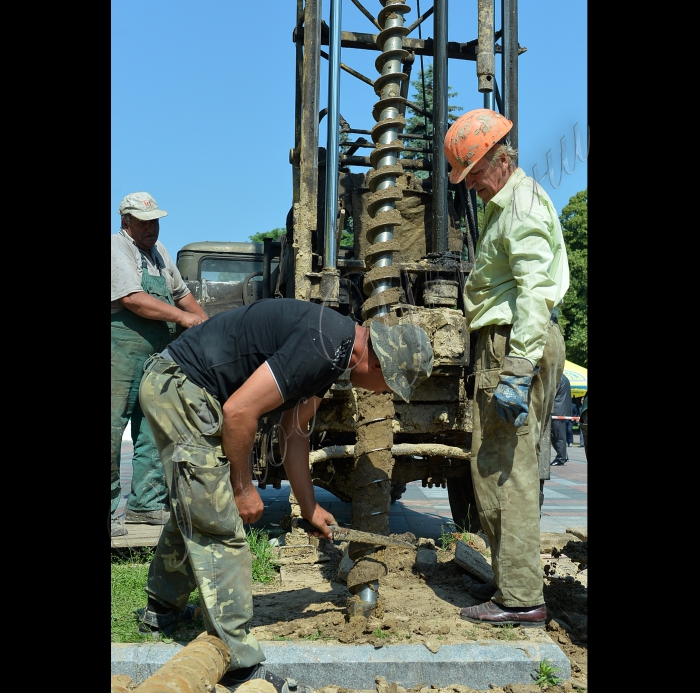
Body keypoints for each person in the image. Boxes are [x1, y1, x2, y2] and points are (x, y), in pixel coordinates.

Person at [135, 298, 433, 690]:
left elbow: (294, 431)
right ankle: (237, 662)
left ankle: (161, 610)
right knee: (220, 523)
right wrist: (243, 488)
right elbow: (239, 412)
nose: (383, 393)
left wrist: (309, 507)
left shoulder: (337, 348)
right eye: (389, 386)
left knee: (198, 501)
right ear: (377, 364)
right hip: (180, 388)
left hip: (188, 390)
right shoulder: (322, 347)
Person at [443, 108, 569, 628]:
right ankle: (511, 580)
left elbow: (536, 291)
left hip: (517, 343)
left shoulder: (519, 206)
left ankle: (520, 599)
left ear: (496, 160)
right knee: (490, 467)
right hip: (507, 341)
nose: (468, 186)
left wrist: (517, 367)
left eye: (470, 174)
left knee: (510, 472)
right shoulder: (503, 202)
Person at [111, 192, 208, 537]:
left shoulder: (160, 252)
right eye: (143, 221)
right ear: (126, 222)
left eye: (154, 221)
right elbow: (133, 299)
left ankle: (146, 505)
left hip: (156, 354)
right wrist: (185, 320)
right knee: (112, 427)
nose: (151, 227)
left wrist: (207, 326)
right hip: (120, 350)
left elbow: (182, 294)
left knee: (154, 426)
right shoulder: (117, 248)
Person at [550, 373, 571, 466]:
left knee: (558, 435)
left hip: (557, 410)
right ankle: (563, 455)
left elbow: (551, 394)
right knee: (556, 435)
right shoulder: (563, 377)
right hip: (560, 409)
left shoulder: (557, 377)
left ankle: (561, 457)